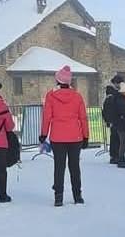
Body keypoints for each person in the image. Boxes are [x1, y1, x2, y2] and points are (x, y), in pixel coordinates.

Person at [39, 65, 89, 206]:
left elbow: (46, 117)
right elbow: (83, 118)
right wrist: (86, 136)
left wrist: (43, 134)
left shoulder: (51, 96)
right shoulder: (77, 96)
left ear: (58, 81)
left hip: (57, 137)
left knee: (59, 167)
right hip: (75, 136)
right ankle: (77, 196)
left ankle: (58, 197)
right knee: (75, 167)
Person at [102, 83, 125, 169]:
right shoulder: (122, 101)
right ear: (124, 92)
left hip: (120, 124)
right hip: (123, 125)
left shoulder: (119, 99)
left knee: (121, 142)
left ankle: (120, 158)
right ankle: (121, 159)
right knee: (123, 143)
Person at [106, 74, 125, 164]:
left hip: (115, 119)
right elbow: (110, 108)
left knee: (116, 137)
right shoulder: (113, 94)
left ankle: (115, 155)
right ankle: (114, 155)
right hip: (115, 119)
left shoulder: (112, 94)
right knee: (115, 138)